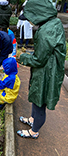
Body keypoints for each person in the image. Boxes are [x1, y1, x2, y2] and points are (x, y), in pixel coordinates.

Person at [17, 0, 66, 139]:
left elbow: (39, 60)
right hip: (49, 68)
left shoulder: (46, 31)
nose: (30, 22)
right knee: (36, 96)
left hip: (46, 72)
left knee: (40, 101)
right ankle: (32, 120)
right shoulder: (53, 23)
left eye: (31, 18)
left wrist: (23, 57)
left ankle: (34, 131)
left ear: (38, 14)